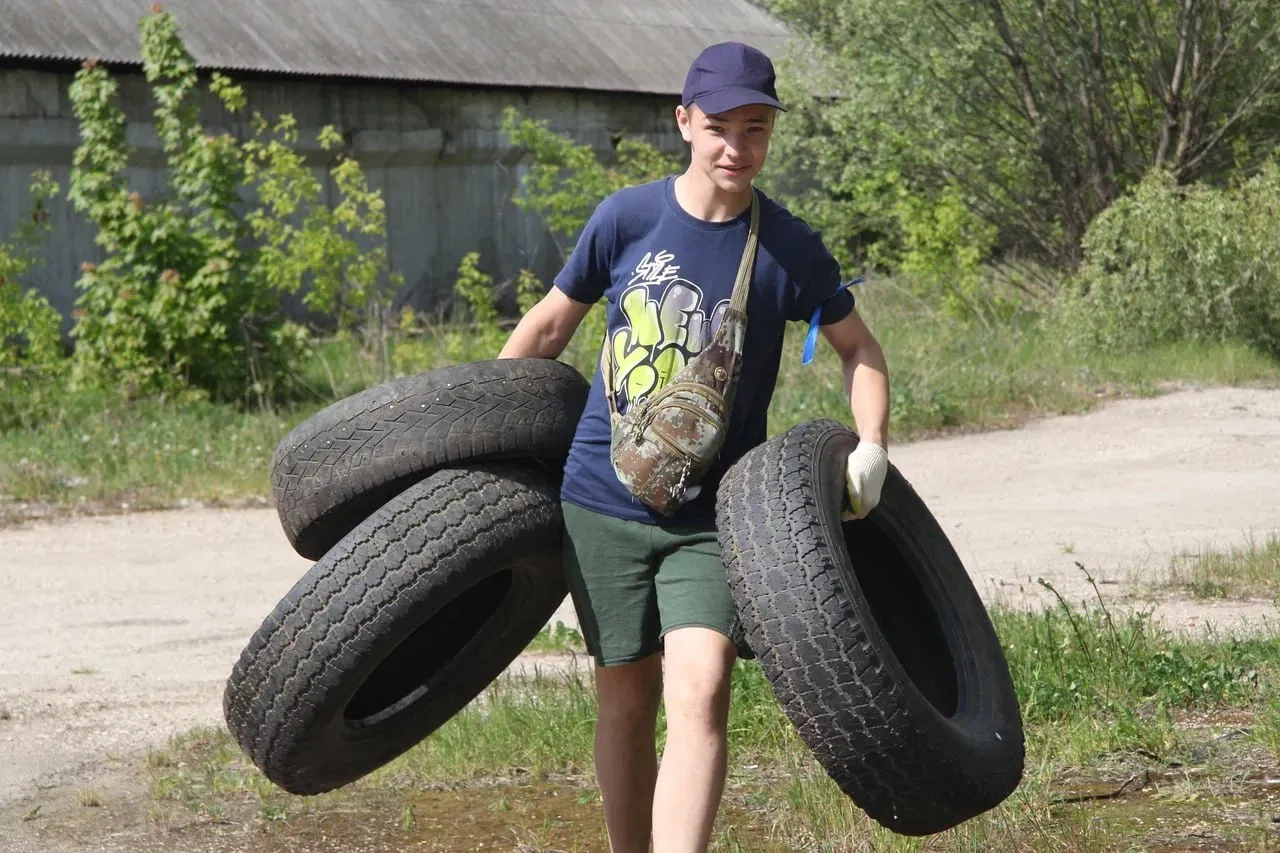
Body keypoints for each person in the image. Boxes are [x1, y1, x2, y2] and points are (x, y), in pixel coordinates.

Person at [498, 40, 891, 853]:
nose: (735, 148)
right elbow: (548, 327)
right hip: (597, 505)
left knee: (702, 690)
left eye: (755, 129)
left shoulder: (789, 247)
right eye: (718, 127)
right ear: (683, 122)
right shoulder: (626, 217)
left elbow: (860, 349)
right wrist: (479, 427)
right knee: (625, 698)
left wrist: (872, 446)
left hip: (714, 516)